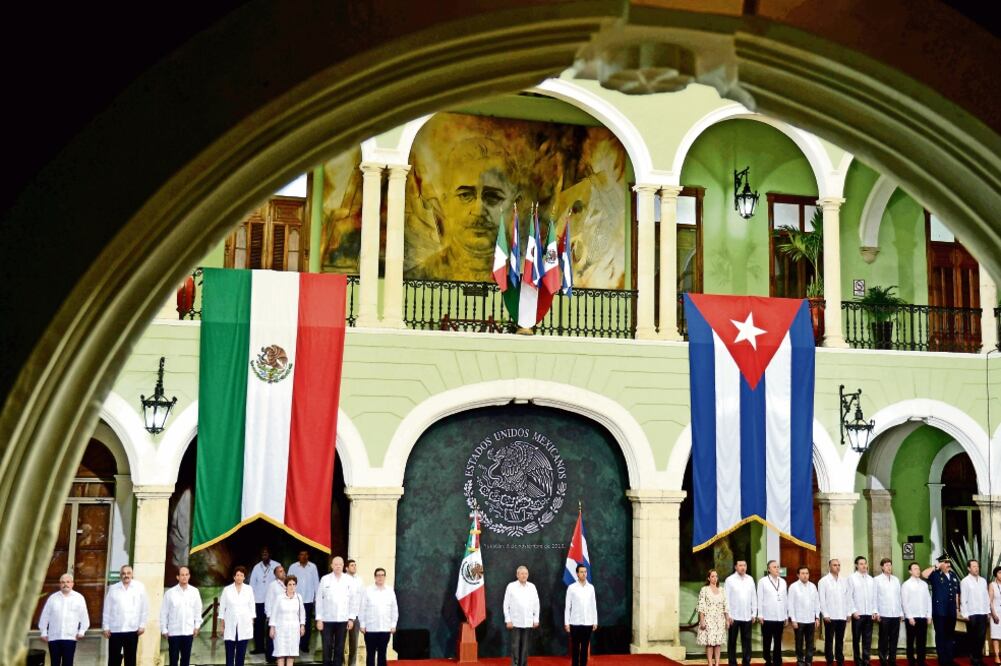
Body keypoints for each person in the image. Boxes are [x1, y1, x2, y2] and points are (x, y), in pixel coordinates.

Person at [410, 137, 519, 281]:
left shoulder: (526, 280)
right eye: (465, 195)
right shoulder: (420, 276)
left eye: (493, 197)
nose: (478, 210)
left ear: (514, 204)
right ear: (445, 201)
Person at [38, 573, 89, 666]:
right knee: (54, 663)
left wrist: (82, 631)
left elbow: (84, 617)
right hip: (54, 637)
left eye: (68, 582)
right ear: (59, 584)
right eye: (62, 582)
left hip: (70, 637)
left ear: (72, 584)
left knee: (68, 663)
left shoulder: (79, 598)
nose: (65, 584)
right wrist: (43, 632)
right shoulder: (52, 598)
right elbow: (45, 616)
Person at [102, 564, 148, 666]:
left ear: (132, 574)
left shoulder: (139, 587)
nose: (126, 575)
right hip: (115, 629)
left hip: (132, 629)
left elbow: (144, 608)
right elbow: (107, 609)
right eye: (123, 573)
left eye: (128, 573)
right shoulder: (113, 588)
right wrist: (106, 627)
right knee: (114, 659)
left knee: (130, 659)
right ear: (120, 575)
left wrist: (142, 625)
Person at [316, 556, 358, 666]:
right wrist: (319, 619)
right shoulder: (325, 579)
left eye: (340, 564)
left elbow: (353, 600)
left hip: (343, 619)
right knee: (327, 646)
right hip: (327, 619)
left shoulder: (349, 580)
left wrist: (351, 618)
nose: (338, 566)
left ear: (343, 566)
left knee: (340, 647)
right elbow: (319, 600)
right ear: (332, 566)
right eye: (336, 564)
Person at [922, 555, 961, 666]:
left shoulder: (953, 575)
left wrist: (957, 608)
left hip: (951, 610)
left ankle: (949, 659)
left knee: (950, 635)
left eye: (949, 562)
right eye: (945, 562)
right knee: (941, 635)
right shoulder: (935, 574)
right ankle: (942, 660)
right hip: (939, 611)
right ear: (940, 563)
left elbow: (956, 593)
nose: (948, 564)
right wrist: (936, 566)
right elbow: (923, 574)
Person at [159, 565, 202, 666]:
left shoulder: (194, 592)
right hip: (174, 632)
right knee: (173, 660)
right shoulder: (170, 593)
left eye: (186, 574)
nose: (184, 577)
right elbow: (164, 612)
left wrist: (197, 626)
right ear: (177, 577)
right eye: (182, 575)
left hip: (188, 631)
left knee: (185, 660)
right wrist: (164, 629)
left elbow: (198, 610)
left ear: (189, 576)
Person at [359, 568, 399, 666]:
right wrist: (362, 624)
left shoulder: (390, 591)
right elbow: (362, 608)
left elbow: (394, 609)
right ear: (375, 577)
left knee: (382, 654)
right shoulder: (368, 590)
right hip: (370, 629)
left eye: (382, 575)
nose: (380, 577)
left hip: (385, 628)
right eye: (378, 575)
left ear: (385, 577)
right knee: (370, 654)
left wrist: (393, 625)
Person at [503, 565, 540, 666]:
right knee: (515, 646)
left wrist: (536, 619)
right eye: (522, 573)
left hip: (528, 621)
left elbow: (536, 604)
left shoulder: (532, 587)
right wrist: (508, 620)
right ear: (517, 575)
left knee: (525, 647)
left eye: (526, 573)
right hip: (515, 622)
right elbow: (506, 604)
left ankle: (523, 664)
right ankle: (515, 665)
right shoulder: (511, 586)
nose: (524, 575)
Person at [220, 565, 257, 666]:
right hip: (230, 625)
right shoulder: (227, 590)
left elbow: (252, 607)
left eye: (242, 575)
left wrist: (251, 622)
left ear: (244, 577)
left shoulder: (249, 589)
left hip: (244, 625)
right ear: (234, 577)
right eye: (237, 575)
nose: (239, 577)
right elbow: (222, 608)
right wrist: (222, 625)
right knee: (229, 653)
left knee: (241, 653)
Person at [250, 547, 284, 655]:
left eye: (266, 553)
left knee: (272, 626)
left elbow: (282, 581)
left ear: (270, 554)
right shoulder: (256, 567)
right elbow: (252, 585)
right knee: (259, 626)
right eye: (262, 553)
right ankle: (259, 648)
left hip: (273, 602)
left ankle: (273, 650)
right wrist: (252, 601)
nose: (264, 554)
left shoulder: (277, 565)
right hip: (259, 601)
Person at [819, 558, 853, 666]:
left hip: (842, 615)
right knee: (829, 639)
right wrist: (825, 614)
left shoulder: (844, 580)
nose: (837, 567)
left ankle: (840, 660)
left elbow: (848, 598)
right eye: (834, 565)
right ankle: (829, 660)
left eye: (838, 565)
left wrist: (848, 613)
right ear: (829, 566)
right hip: (830, 616)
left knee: (840, 639)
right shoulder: (823, 581)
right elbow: (822, 599)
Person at [564, 564, 598, 666]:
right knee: (575, 649)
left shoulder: (591, 588)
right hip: (575, 623)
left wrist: (595, 621)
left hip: (587, 623)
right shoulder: (572, 588)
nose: (584, 574)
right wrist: (567, 623)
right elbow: (567, 607)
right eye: (581, 572)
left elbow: (593, 605)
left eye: (585, 572)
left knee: (584, 649)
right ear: (577, 574)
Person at [725, 560, 757, 666]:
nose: (742, 567)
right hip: (733, 616)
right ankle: (732, 662)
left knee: (747, 641)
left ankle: (746, 661)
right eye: (740, 565)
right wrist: (728, 615)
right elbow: (726, 599)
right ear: (735, 567)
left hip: (747, 616)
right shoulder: (729, 580)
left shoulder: (750, 579)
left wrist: (754, 613)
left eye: (744, 565)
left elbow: (754, 597)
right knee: (732, 641)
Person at [270, 575, 307, 666]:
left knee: (291, 654)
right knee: (280, 655)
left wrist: (302, 625)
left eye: (294, 584)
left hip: (294, 630)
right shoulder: (279, 598)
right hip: (280, 630)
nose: (292, 586)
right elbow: (274, 613)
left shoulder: (299, 597)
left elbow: (302, 613)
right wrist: (272, 627)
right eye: (290, 584)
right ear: (286, 585)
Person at [288, 550, 320, 654]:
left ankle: (304, 645)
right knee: (294, 623)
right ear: (298, 556)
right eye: (301, 554)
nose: (304, 556)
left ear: (308, 556)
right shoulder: (293, 567)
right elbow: (288, 583)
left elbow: (316, 584)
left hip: (308, 601)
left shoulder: (313, 567)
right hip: (294, 600)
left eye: (306, 554)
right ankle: (294, 645)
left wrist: (317, 599)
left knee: (306, 624)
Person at [757, 560, 788, 666]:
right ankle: (767, 659)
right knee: (767, 640)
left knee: (778, 640)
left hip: (780, 616)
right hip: (767, 616)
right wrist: (760, 614)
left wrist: (785, 615)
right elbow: (759, 599)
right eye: (774, 567)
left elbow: (785, 599)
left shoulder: (783, 582)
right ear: (769, 569)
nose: (777, 569)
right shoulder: (763, 581)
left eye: (778, 567)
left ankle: (777, 660)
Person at [901, 562, 932, 666]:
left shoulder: (924, 584)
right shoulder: (906, 585)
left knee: (922, 641)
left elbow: (928, 600)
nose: (918, 571)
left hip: (923, 617)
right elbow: (904, 602)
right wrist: (909, 617)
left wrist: (929, 615)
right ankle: (911, 661)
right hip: (912, 618)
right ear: (910, 571)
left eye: (918, 569)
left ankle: (921, 661)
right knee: (911, 641)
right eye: (915, 569)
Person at [788, 566, 820, 666]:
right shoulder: (793, 587)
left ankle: (809, 661)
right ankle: (800, 661)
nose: (805, 575)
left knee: (810, 642)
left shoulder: (813, 586)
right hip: (799, 620)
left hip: (810, 619)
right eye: (802, 573)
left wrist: (817, 617)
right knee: (799, 642)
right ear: (798, 575)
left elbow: (817, 603)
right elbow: (790, 604)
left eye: (807, 573)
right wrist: (793, 619)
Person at [961, 559, 991, 666]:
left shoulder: (983, 580)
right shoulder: (965, 581)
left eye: (977, 566)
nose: (976, 568)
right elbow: (963, 598)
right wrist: (965, 614)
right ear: (969, 568)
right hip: (971, 614)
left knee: (981, 637)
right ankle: (974, 660)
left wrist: (988, 612)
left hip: (982, 613)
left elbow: (986, 597)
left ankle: (979, 658)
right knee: (973, 638)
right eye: (974, 566)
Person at [697, 569, 729, 666]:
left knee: (718, 642)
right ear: (708, 578)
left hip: (720, 619)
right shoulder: (704, 590)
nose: (715, 578)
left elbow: (725, 606)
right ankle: (710, 663)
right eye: (712, 576)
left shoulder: (722, 590)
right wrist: (702, 620)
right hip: (709, 619)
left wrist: (727, 619)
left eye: (716, 576)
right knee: (710, 642)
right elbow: (701, 606)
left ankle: (717, 663)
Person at [850, 556, 877, 666]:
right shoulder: (852, 578)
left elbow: (874, 597)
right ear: (856, 565)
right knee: (856, 639)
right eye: (861, 564)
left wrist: (874, 611)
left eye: (865, 563)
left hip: (869, 614)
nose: (864, 566)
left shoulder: (871, 579)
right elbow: (849, 596)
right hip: (858, 614)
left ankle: (866, 661)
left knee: (867, 639)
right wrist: (853, 611)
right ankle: (857, 661)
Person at [875, 558, 903, 666]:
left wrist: (901, 613)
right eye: (886, 565)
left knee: (894, 639)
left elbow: (899, 597)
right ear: (882, 567)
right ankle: (883, 660)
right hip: (883, 614)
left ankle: (892, 660)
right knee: (883, 639)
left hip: (895, 614)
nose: (889, 567)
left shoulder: (896, 580)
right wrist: (876, 612)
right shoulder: (877, 580)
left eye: (890, 565)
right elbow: (875, 597)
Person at [265, 565, 288, 664]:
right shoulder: (273, 585)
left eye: (283, 571)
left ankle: (284, 656)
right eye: (279, 571)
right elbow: (268, 601)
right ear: (275, 574)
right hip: (275, 616)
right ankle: (270, 658)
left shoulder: (289, 584)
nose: (282, 572)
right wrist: (269, 616)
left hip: (287, 617)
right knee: (272, 638)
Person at [346, 559, 361, 666]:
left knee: (354, 644)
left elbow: (362, 597)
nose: (354, 567)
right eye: (352, 565)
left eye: (355, 565)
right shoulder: (342, 579)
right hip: (344, 616)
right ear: (346, 568)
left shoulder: (359, 580)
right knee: (340, 643)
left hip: (356, 615)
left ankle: (352, 664)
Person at [988, 566, 1001, 665]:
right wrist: (993, 614)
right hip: (996, 612)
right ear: (995, 574)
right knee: (996, 636)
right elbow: (990, 601)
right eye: (1000, 573)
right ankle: (996, 656)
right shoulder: (992, 585)